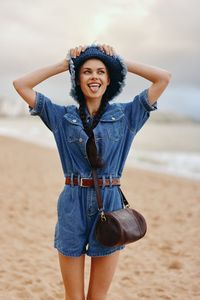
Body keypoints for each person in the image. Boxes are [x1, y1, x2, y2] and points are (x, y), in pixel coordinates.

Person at [13, 44, 171, 300]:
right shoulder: (61, 117)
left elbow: (163, 78)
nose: (94, 77)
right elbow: (21, 84)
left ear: (109, 79)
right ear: (78, 79)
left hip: (109, 204)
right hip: (72, 204)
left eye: (101, 71)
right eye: (86, 72)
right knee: (73, 297)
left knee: (97, 297)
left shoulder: (127, 115)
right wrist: (64, 64)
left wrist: (119, 60)